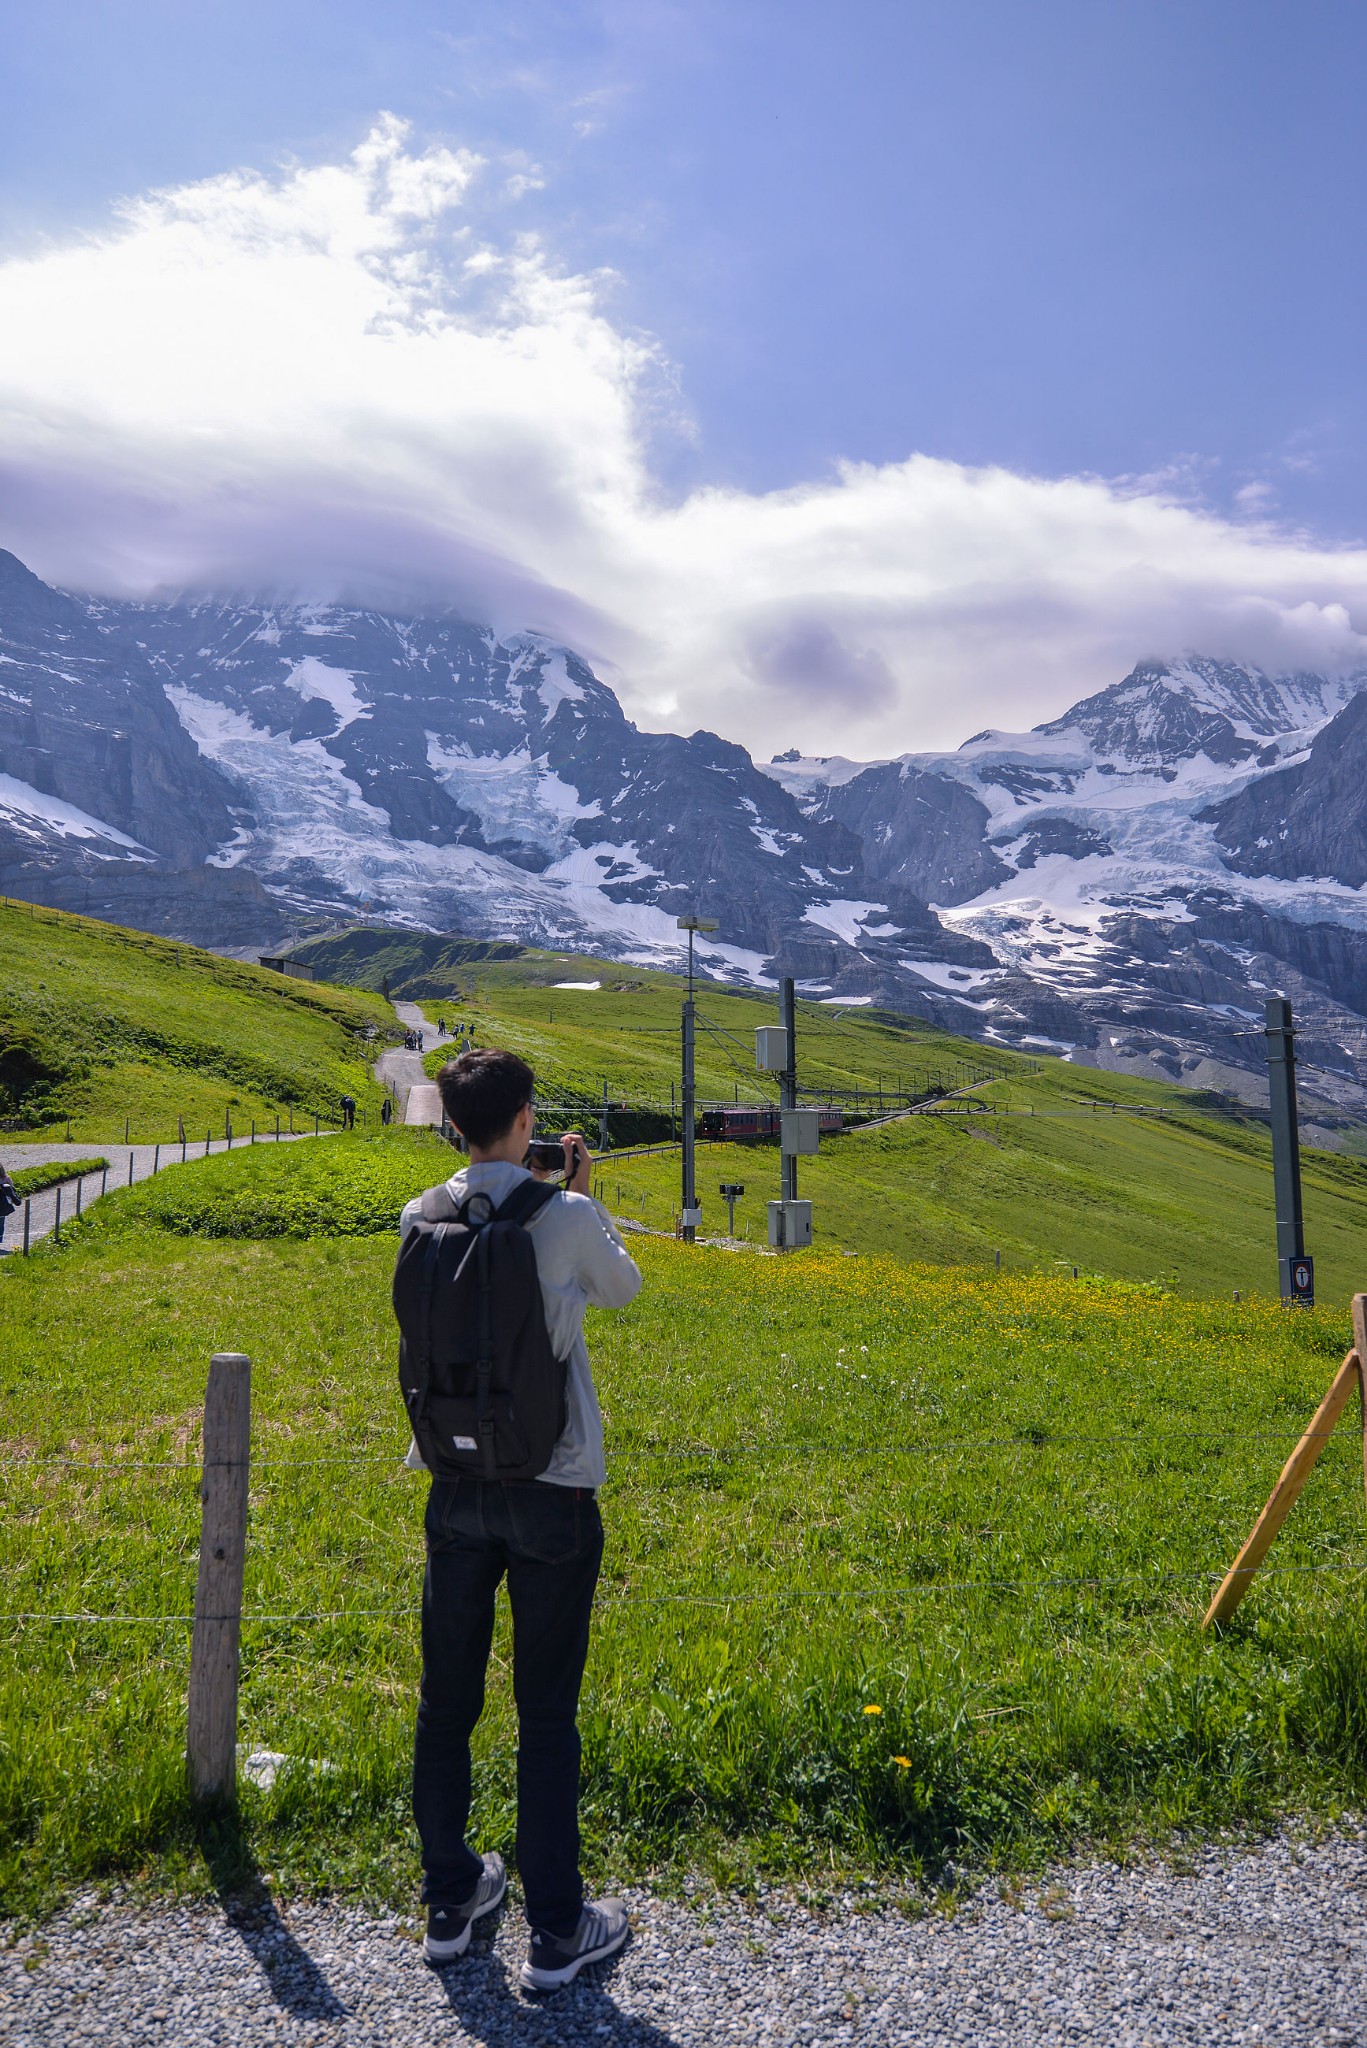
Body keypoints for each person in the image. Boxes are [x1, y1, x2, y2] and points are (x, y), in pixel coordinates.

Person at [400, 1048, 641, 1988]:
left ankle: (451, 1901)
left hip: (452, 1483)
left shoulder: (419, 1214)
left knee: (443, 1702)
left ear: (454, 1121)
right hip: (552, 1482)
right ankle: (556, 1927)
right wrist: (583, 1194)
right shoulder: (567, 1214)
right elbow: (623, 1291)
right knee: (545, 1712)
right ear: (528, 1117)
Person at [0, 1162, 17, 1254]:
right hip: (3, 1206)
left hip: (2, 1206)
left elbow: (12, 1191)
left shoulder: (7, 1179)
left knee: (0, 1224)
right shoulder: (6, 1179)